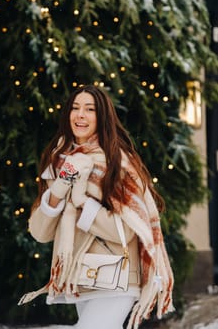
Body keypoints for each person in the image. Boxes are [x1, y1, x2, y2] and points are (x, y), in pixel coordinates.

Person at [18, 84, 174, 329]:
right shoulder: (59, 161)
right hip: (81, 277)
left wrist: (82, 203)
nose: (80, 115)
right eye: (75, 108)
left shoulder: (117, 163)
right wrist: (60, 187)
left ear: (102, 117)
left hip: (117, 279)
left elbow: (126, 232)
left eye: (89, 109)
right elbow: (40, 233)